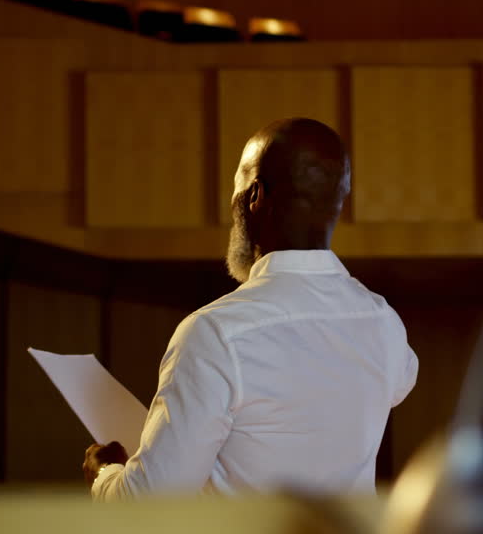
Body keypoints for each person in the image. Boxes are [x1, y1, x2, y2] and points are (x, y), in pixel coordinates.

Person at [83, 117, 418, 499]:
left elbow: (148, 502)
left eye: (236, 189)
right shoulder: (384, 324)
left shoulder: (213, 334)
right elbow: (395, 382)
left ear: (254, 195)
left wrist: (104, 471)